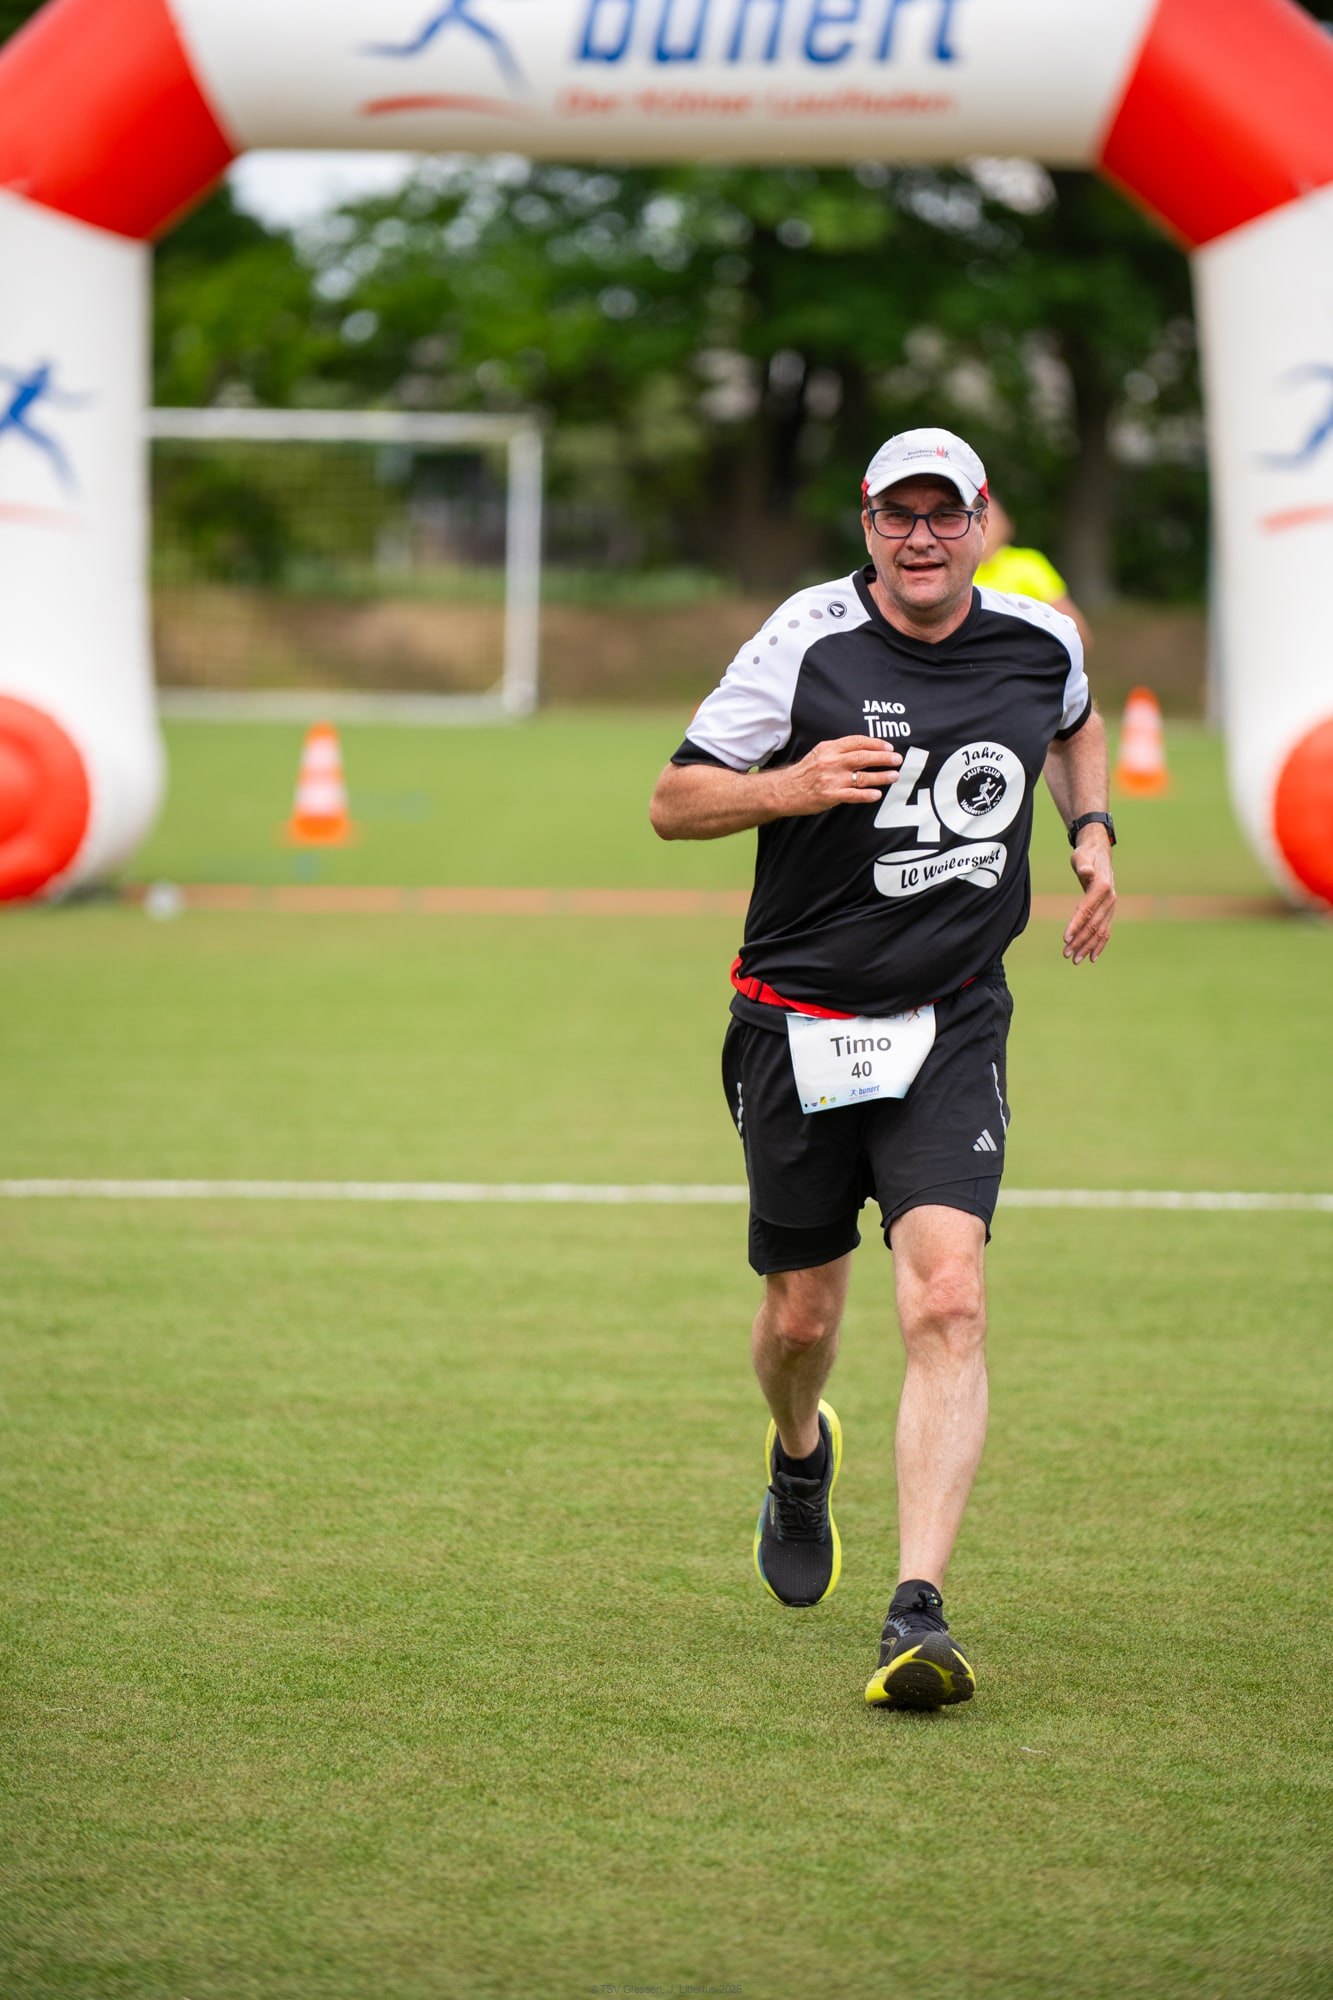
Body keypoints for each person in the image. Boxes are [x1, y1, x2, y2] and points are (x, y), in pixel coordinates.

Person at [648, 427, 1116, 1711]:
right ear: (866, 524)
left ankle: (918, 1610)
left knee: (947, 1297)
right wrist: (793, 783)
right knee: (803, 1318)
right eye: (896, 514)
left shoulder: (1040, 637)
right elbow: (674, 800)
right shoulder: (805, 641)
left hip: (952, 1020)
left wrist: (1090, 829)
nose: (921, 536)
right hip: (792, 1022)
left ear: (979, 519)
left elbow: (1076, 725)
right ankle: (800, 1452)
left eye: (942, 513)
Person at [974, 493, 1093, 651]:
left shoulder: (1028, 565)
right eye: (977, 517)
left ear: (1008, 524)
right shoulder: (955, 572)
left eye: (991, 517)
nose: (985, 525)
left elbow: (1077, 633)